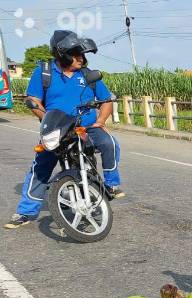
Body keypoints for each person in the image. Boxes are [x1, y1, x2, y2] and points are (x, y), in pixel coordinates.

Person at [5, 30, 123, 230]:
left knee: (109, 142)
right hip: (58, 127)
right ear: (63, 54)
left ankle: (111, 184)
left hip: (85, 126)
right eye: (76, 54)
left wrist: (101, 120)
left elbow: (106, 101)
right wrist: (47, 119)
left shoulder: (87, 74)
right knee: (41, 165)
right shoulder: (44, 72)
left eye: (82, 54)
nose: (81, 58)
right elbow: (34, 100)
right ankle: (25, 211)